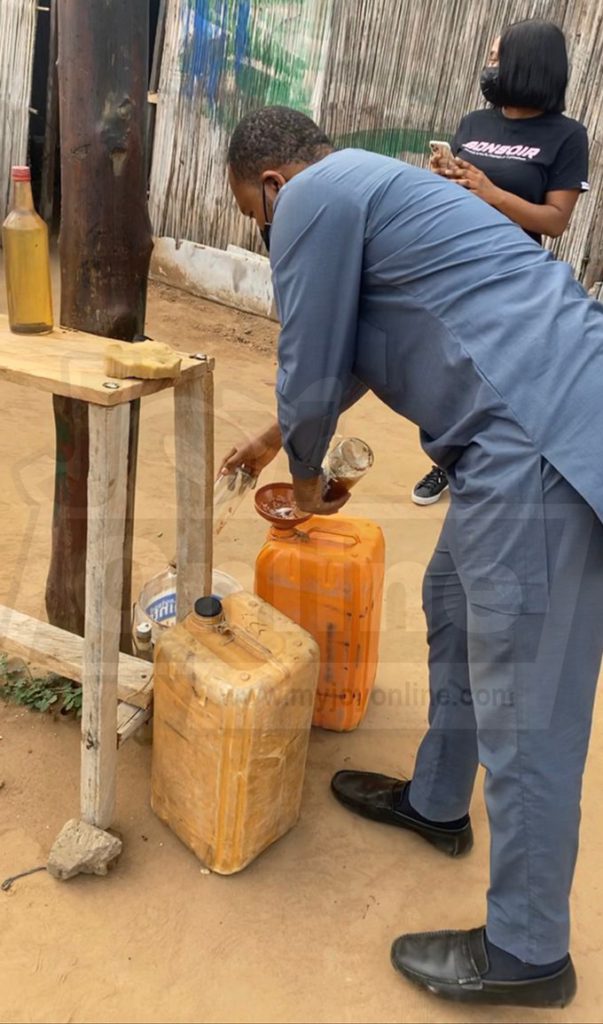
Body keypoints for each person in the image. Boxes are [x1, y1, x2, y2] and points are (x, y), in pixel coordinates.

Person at [222, 102, 603, 1009]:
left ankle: (527, 954)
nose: (267, 234)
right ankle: (435, 802)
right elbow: (351, 348)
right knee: (452, 605)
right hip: (519, 431)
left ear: (274, 183)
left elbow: (309, 354)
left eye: (254, 216)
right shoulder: (372, 186)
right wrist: (278, 439)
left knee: (528, 708)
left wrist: (306, 481)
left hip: (539, 435)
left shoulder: (312, 197)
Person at [412, 19, 589, 507]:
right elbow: (457, 192)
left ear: (527, 64)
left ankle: (496, 468)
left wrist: (492, 193)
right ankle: (445, 462)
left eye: (498, 57)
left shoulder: (567, 136)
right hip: (456, 267)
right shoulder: (475, 122)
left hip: (513, 278)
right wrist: (446, 179)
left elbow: (554, 221)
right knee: (445, 373)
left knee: (498, 378)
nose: (490, 67)